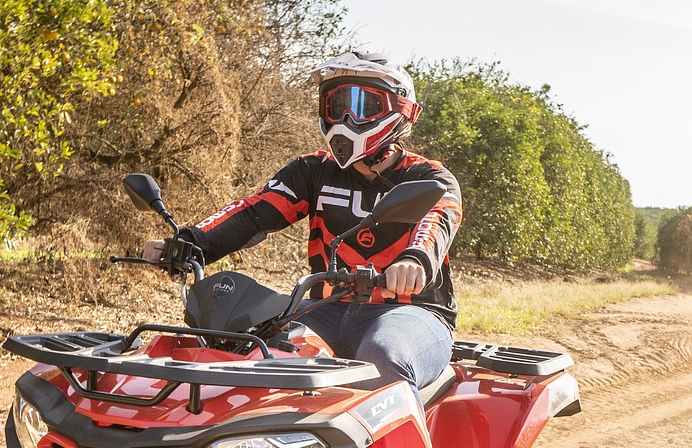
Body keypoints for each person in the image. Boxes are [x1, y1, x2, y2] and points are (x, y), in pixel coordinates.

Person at [144, 52, 461, 393]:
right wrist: (189, 243)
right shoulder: (312, 170)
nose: (346, 118)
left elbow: (435, 225)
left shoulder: (429, 178)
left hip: (411, 312)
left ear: (399, 111)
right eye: (335, 105)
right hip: (325, 307)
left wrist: (415, 261)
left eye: (363, 106)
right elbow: (253, 212)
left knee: (382, 357)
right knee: (245, 347)